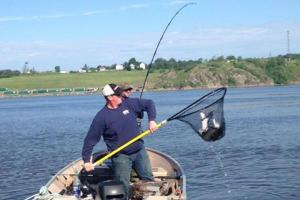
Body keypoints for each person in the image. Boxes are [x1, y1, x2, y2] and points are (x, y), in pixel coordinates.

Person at [82, 83, 158, 197]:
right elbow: (90, 140)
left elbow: (149, 103)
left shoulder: (128, 103)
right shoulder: (101, 117)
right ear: (109, 97)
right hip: (120, 156)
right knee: (122, 186)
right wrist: (87, 161)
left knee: (148, 179)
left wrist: (152, 120)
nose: (121, 97)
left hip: (139, 150)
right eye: (118, 95)